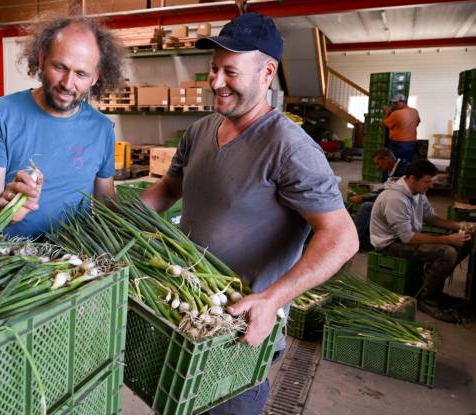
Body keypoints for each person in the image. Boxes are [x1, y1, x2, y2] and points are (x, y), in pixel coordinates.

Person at [139, 12, 358, 415]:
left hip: (238, 330)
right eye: (213, 69)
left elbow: (342, 237)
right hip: (189, 309)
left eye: (230, 72)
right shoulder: (201, 130)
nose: (216, 82)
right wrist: (123, 218)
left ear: (266, 73)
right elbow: (170, 188)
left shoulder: (290, 148)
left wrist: (272, 299)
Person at [0, 16, 125, 238]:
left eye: (81, 74)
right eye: (60, 67)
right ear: (43, 59)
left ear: (95, 78)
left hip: (75, 259)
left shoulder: (101, 129)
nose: (67, 83)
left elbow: (106, 201)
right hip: (8, 257)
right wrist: (8, 207)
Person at [370, 159, 473, 323]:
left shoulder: (418, 193)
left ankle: (430, 286)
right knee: (447, 252)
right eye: (427, 181)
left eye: (431, 181)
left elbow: (430, 217)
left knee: (466, 240)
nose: (430, 186)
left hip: (407, 238)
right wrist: (446, 239)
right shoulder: (395, 199)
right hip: (391, 244)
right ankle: (427, 299)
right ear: (412, 178)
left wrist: (459, 225)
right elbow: (407, 238)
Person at [351, 148, 409, 246]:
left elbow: (387, 193)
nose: (377, 167)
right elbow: (386, 188)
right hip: (394, 200)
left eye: (378, 164)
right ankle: (366, 236)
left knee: (366, 206)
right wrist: (366, 195)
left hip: (402, 205)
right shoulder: (392, 169)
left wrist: (364, 198)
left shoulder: (402, 171)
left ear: (386, 159)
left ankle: (353, 242)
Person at [383, 94, 420, 163]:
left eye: (396, 103)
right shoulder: (415, 111)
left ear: (403, 102)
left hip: (398, 143)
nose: (394, 105)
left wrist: (387, 112)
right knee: (407, 163)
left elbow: (385, 124)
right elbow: (417, 123)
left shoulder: (397, 113)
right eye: (393, 103)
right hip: (412, 143)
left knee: (394, 163)